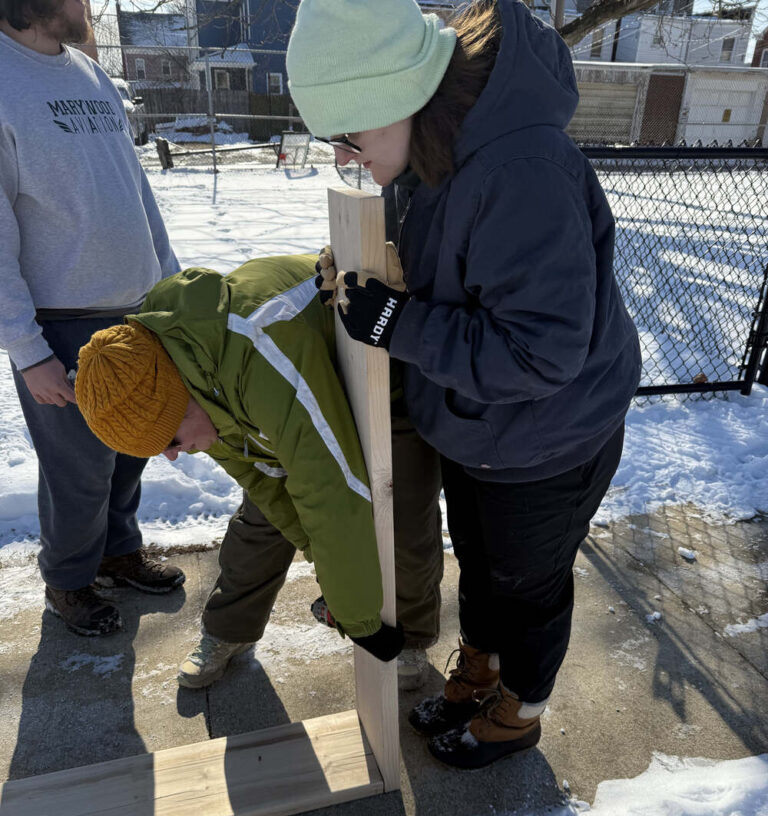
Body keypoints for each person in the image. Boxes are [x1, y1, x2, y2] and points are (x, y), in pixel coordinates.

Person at [286, 0, 642, 769]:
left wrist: (395, 325)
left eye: (351, 139)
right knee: (481, 566)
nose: (351, 160)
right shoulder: (436, 149)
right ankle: (482, 666)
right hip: (484, 428)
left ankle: (521, 709)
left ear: (394, 97)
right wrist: (366, 273)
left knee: (529, 583)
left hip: (550, 435)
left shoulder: (520, 170)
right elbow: (450, 264)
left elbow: (541, 353)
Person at [74, 255, 407, 673]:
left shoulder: (254, 346)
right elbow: (265, 479)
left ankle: (411, 640)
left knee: (400, 517)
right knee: (259, 527)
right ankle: (227, 634)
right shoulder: (183, 373)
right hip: (306, 404)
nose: (173, 454)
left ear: (179, 402)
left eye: (170, 440)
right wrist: (323, 562)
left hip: (389, 383)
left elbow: (329, 483)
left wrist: (359, 619)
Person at [0, 0, 184, 637]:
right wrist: (28, 350)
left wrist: (173, 288)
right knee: (80, 469)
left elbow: (135, 188)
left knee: (134, 445)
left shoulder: (87, 70)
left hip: (139, 309)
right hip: (62, 321)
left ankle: (117, 550)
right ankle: (70, 581)